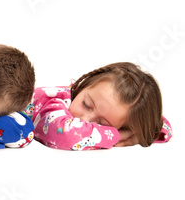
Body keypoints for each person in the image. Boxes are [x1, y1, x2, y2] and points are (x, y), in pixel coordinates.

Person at [27, 62, 172, 150]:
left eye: (101, 123)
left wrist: (138, 135)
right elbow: (65, 135)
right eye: (86, 104)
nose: (84, 119)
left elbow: (160, 126)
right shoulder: (56, 103)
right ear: (83, 85)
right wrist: (118, 135)